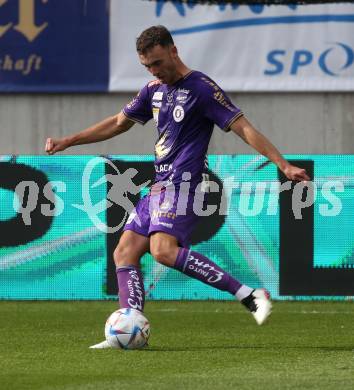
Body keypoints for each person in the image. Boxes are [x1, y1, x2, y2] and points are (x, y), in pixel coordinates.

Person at [45, 25, 310, 348]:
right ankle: (127, 329)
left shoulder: (201, 87)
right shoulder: (154, 90)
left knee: (163, 251)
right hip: (160, 186)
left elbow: (243, 127)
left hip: (184, 185)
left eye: (158, 63)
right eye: (147, 66)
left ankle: (250, 295)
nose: (154, 71)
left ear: (173, 51)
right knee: (124, 253)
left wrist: (282, 164)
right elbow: (118, 123)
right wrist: (69, 140)